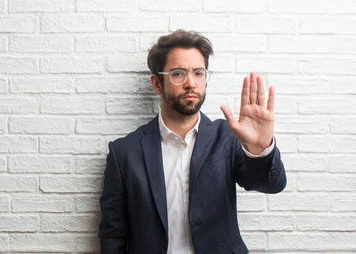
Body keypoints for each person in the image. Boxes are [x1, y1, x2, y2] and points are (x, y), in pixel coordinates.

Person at [98, 29, 287, 254]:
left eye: (198, 73)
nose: (191, 83)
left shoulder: (227, 137)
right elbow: (113, 234)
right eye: (178, 73)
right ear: (157, 84)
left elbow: (271, 185)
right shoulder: (124, 153)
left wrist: (259, 148)